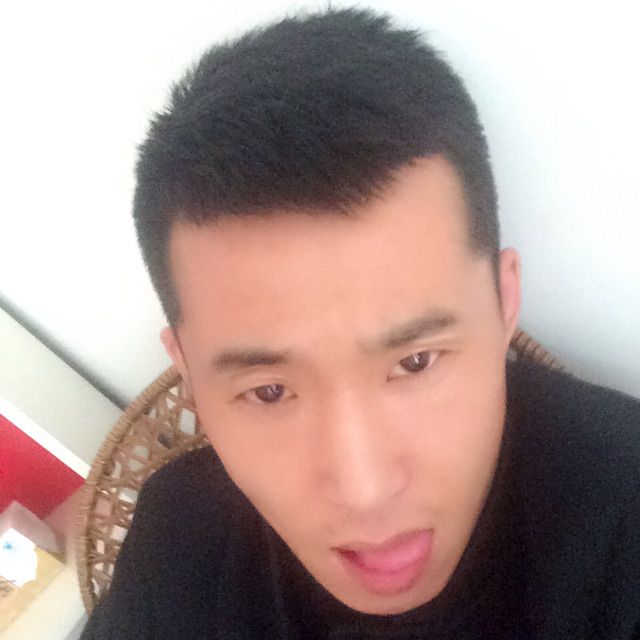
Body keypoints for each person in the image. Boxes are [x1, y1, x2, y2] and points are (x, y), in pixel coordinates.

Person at [80, 7, 640, 639]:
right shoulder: (177, 534)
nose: (365, 490)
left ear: (504, 301)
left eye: (415, 362)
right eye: (270, 391)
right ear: (187, 370)